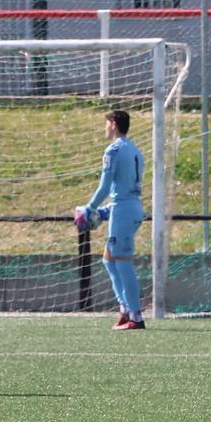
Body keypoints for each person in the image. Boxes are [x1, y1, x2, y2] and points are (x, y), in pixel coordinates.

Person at [76, 109, 146, 329]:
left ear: (114, 124)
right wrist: (107, 211)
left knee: (124, 264)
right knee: (108, 259)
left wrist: (89, 208)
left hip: (124, 213)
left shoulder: (113, 151)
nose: (105, 128)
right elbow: (125, 189)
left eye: (106, 123)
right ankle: (125, 308)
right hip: (130, 208)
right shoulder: (135, 149)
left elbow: (105, 187)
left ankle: (136, 317)